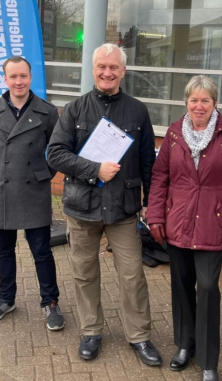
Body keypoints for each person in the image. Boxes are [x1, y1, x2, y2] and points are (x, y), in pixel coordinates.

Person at [47, 43, 162, 365]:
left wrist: (152, 203)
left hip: (123, 209)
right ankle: (91, 331)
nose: (107, 72)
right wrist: (93, 169)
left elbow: (147, 162)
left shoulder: (138, 111)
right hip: (82, 208)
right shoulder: (74, 109)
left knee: (132, 276)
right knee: (84, 273)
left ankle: (139, 336)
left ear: (123, 71)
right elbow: (55, 153)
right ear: (93, 69)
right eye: (101, 67)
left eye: (113, 67)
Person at [147, 75, 222, 381]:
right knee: (180, 287)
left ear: (214, 103)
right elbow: (160, 177)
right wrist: (155, 215)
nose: (199, 105)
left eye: (205, 100)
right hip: (177, 221)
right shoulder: (174, 133)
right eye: (194, 100)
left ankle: (208, 361)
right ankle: (184, 345)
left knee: (206, 288)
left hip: (213, 223)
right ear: (186, 102)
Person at [0, 56, 64, 331]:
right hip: (2, 188)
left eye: (24, 76)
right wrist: (3, 173)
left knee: (41, 250)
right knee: (3, 249)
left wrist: (43, 173)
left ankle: (50, 301)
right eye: (13, 76)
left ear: (31, 78)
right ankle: (6, 299)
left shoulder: (47, 111)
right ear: (5, 79)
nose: (19, 81)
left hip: (34, 189)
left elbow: (57, 149)